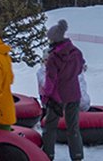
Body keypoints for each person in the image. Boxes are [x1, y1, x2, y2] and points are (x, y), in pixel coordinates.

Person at [40, 19, 85, 161]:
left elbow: (50, 80)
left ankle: (48, 155)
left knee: (50, 127)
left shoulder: (53, 57)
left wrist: (45, 97)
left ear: (54, 39)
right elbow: (79, 70)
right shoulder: (76, 52)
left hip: (57, 97)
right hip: (74, 94)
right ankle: (77, 156)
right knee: (73, 128)